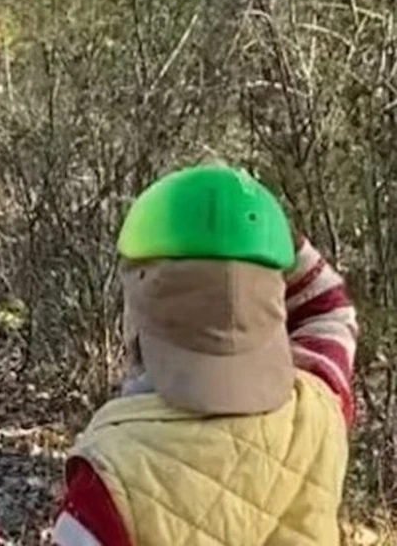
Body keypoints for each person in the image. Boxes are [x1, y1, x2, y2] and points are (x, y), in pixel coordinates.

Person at [53, 165, 357, 546]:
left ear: (138, 316)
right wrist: (257, 222)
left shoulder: (107, 480)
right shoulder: (318, 409)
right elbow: (329, 310)